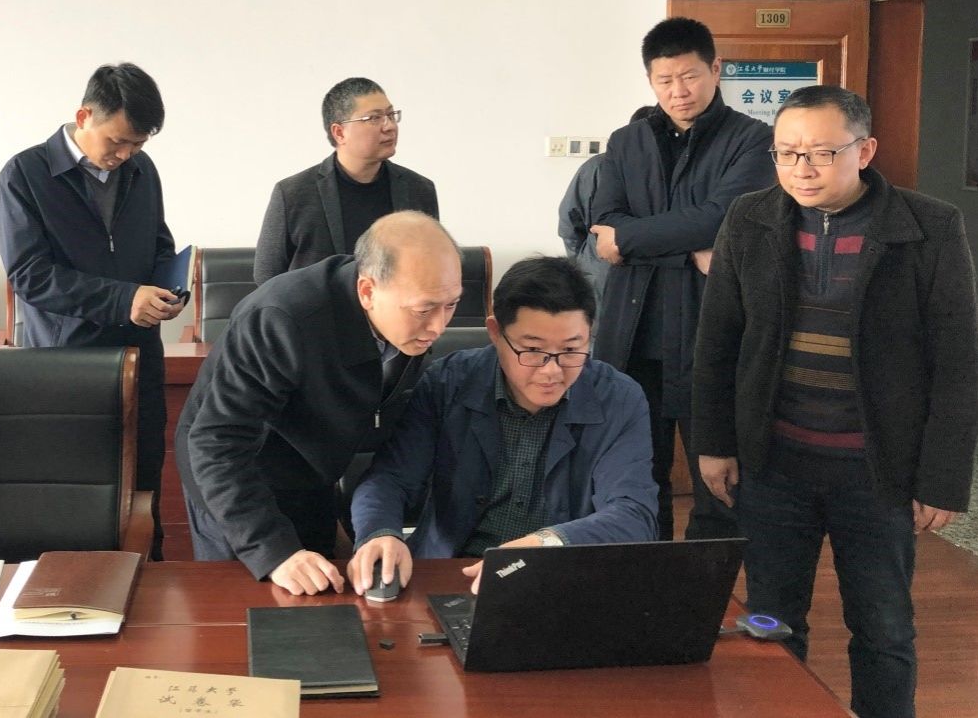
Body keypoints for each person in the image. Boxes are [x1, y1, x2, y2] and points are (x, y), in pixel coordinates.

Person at [692, 85, 978, 718]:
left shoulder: (928, 226)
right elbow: (717, 343)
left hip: (876, 473)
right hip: (775, 465)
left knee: (884, 628)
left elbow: (958, 363)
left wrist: (942, 478)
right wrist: (713, 445)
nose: (802, 168)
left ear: (865, 151)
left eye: (822, 152)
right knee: (771, 623)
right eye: (786, 152)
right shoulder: (749, 218)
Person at [177, 211, 462, 594]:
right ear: (367, 291)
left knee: (321, 593)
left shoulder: (407, 315)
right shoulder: (283, 317)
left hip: (313, 467)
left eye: (451, 305)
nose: (439, 327)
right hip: (235, 476)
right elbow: (216, 444)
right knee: (241, 601)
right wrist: (274, 551)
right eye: (424, 310)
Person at [348, 256, 657, 596]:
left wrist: (547, 543)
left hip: (562, 577)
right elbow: (390, 478)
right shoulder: (448, 383)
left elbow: (634, 513)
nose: (551, 371)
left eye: (571, 349)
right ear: (496, 332)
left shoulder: (618, 398)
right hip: (454, 573)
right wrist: (379, 532)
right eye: (533, 350)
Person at [590, 17, 774, 540]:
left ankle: (704, 585)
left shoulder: (753, 140)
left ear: (716, 69)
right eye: (664, 80)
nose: (678, 91)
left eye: (690, 76)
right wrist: (689, 248)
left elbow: (723, 218)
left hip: (709, 335)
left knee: (719, 482)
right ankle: (647, 583)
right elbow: (604, 222)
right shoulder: (626, 141)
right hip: (633, 336)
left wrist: (636, 242)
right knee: (635, 481)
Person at [0, 63, 183, 560]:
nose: (126, 155)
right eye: (117, 142)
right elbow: (30, 275)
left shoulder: (142, 170)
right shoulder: (26, 173)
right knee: (73, 493)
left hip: (139, 357)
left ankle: (147, 576)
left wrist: (169, 287)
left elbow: (158, 243)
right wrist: (124, 299)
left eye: (138, 144)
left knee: (144, 487)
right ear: (84, 117)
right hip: (68, 363)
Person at [254, 77, 439, 284]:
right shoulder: (292, 194)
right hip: (319, 305)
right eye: (374, 118)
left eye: (391, 115)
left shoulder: (419, 189)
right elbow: (266, 276)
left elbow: (430, 263)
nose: (389, 126)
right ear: (339, 132)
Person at [558, 105, 653, 306]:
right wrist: (585, 264)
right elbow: (571, 223)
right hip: (601, 277)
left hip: (647, 277)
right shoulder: (598, 167)